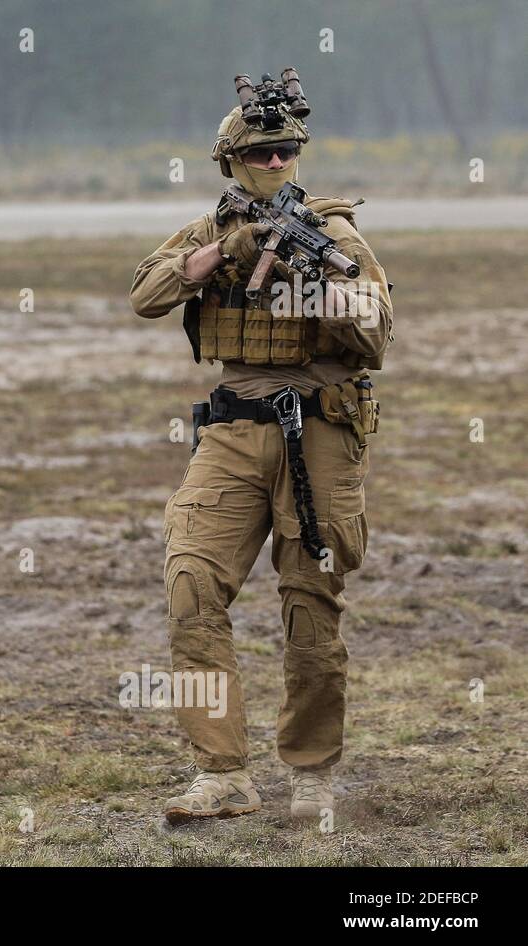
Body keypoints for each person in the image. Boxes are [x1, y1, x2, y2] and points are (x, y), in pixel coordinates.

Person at [129, 74, 391, 823]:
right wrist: (218, 256)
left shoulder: (335, 233)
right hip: (233, 431)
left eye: (288, 152)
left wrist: (335, 303)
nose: (277, 163)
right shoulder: (209, 229)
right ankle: (220, 773)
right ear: (232, 162)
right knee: (189, 587)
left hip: (321, 432)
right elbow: (144, 294)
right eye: (263, 152)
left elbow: (378, 337)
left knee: (312, 608)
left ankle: (311, 776)